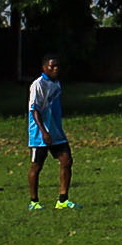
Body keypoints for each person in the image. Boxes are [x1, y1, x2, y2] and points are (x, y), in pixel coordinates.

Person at [25, 55, 74, 209]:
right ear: (44, 67)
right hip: (40, 134)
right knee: (37, 166)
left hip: (56, 132)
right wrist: (44, 131)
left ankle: (63, 200)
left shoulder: (57, 83)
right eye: (51, 66)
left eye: (57, 66)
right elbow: (34, 110)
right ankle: (34, 202)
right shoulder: (38, 84)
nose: (55, 69)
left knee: (67, 161)